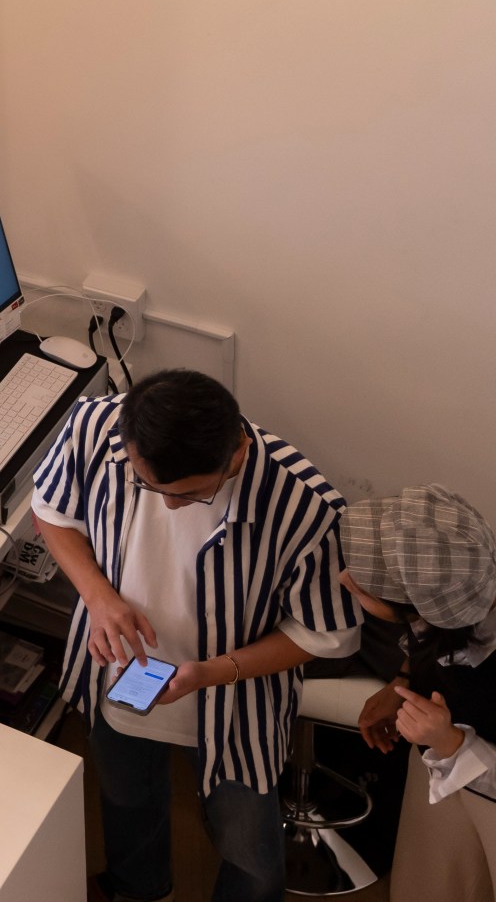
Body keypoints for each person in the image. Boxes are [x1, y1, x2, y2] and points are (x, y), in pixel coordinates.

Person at [29, 369, 362, 902]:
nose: (168, 506)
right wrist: (98, 596)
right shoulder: (94, 427)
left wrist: (212, 672)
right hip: (119, 674)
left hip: (237, 703)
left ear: (236, 453)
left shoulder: (308, 507)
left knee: (250, 851)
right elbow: (49, 512)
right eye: (148, 487)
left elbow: (326, 634)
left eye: (191, 496)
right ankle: (140, 891)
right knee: (126, 804)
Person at [338, 485, 496, 900]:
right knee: (429, 883)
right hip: (440, 758)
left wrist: (450, 741)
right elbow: (436, 638)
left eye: (361, 588)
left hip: (478, 772)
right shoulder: (461, 587)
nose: (344, 580)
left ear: (413, 608)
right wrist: (404, 681)